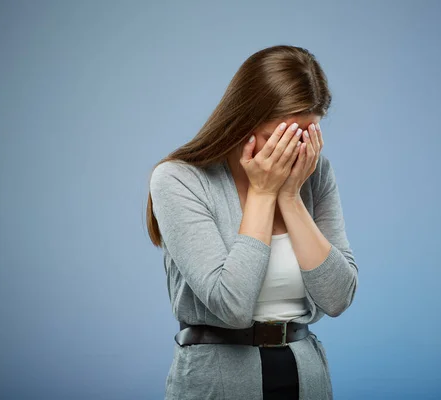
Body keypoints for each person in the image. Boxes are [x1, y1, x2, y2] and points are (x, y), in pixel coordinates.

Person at [146, 45, 358, 400]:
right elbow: (232, 306)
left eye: (309, 133)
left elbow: (337, 298)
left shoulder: (315, 173)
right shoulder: (178, 180)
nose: (297, 148)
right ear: (246, 120)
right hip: (216, 382)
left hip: (306, 379)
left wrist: (289, 199)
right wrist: (262, 194)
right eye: (286, 134)